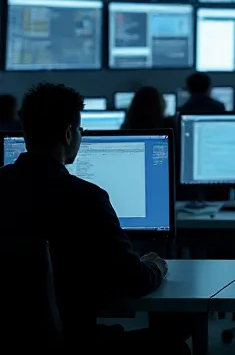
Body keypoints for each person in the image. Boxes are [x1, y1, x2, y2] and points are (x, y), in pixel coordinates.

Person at [0, 84, 187, 354]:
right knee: (175, 345)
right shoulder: (86, 198)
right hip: (73, 340)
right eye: (79, 131)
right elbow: (134, 281)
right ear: (68, 134)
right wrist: (154, 267)